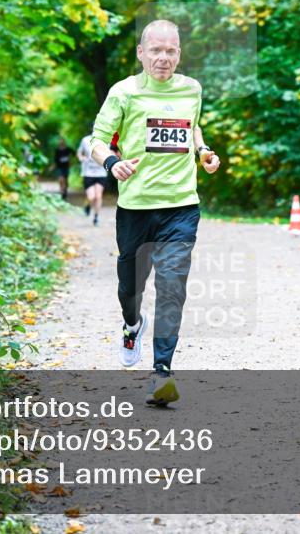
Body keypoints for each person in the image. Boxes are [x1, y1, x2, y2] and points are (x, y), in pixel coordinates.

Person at [88, 20, 221, 406]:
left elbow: (193, 127)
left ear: (179, 53)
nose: (164, 58)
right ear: (141, 53)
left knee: (172, 286)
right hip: (136, 208)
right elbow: (97, 140)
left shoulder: (191, 89)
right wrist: (112, 162)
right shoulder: (124, 92)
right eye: (157, 51)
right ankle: (132, 325)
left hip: (181, 205)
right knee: (131, 287)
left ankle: (162, 372)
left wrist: (203, 151)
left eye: (172, 51)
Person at [76, 130, 107, 226]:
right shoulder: (85, 140)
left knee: (98, 196)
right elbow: (79, 152)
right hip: (88, 173)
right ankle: (88, 206)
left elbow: (110, 153)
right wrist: (81, 158)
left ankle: (96, 217)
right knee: (91, 197)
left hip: (101, 173)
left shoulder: (106, 140)